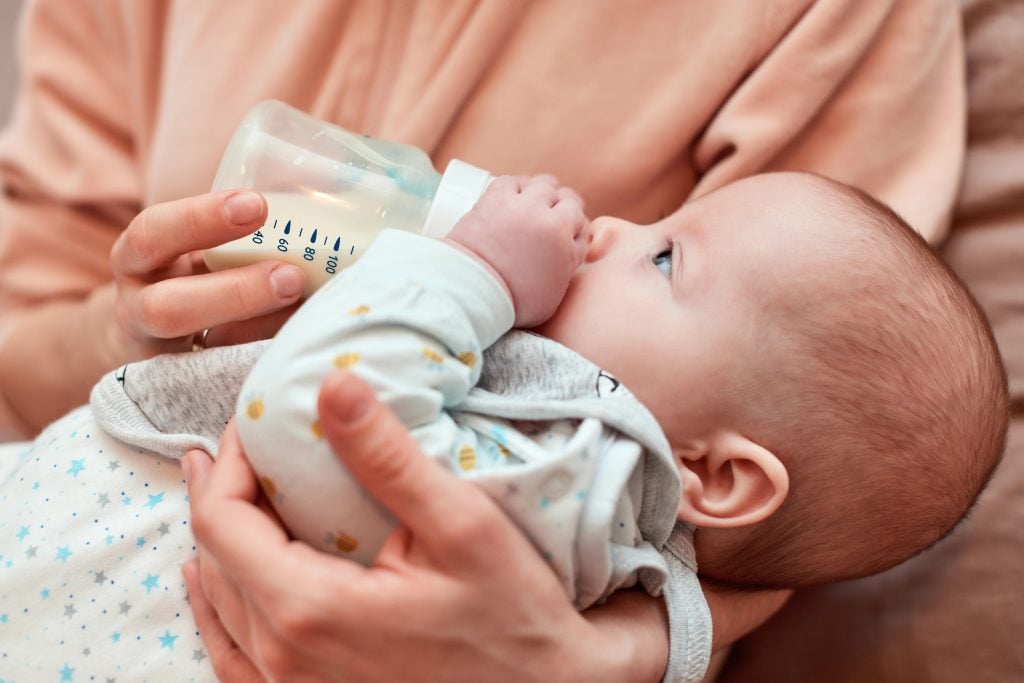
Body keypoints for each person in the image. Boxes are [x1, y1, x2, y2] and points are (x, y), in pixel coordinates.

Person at [0, 0, 967, 680]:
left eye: (665, 256)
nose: (615, 229)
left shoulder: (565, 478)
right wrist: (141, 325)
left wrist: (480, 275)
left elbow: (827, 465)